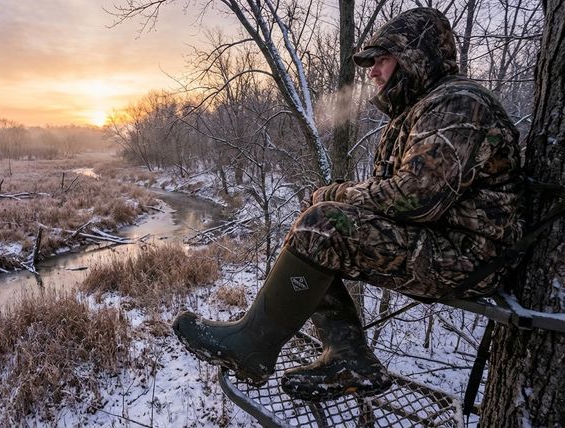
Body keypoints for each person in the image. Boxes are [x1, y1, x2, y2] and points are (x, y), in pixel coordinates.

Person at [173, 7, 524, 401]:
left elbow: (413, 199)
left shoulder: (458, 104)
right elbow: (391, 194)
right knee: (321, 226)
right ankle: (347, 358)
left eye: (383, 59)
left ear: (416, 58)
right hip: (444, 245)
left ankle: (252, 346)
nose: (372, 71)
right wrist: (338, 196)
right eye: (371, 62)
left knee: (323, 224)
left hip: (468, 258)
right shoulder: (422, 108)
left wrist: (335, 194)